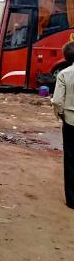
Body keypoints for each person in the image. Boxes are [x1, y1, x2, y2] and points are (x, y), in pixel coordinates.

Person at [51, 41, 74, 209]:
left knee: (71, 159)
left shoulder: (64, 74)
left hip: (71, 121)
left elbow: (58, 101)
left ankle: (72, 200)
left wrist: (60, 114)